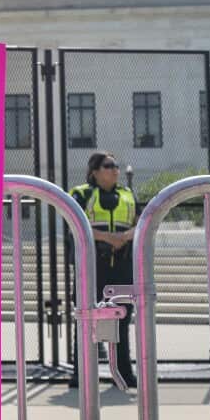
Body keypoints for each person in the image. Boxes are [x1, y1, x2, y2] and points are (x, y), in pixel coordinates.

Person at [70, 150, 138, 388]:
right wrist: (109, 238)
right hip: (92, 266)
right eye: (109, 166)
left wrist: (125, 237)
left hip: (121, 264)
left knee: (122, 318)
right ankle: (82, 375)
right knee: (87, 319)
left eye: (116, 165)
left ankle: (123, 373)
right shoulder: (80, 194)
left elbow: (138, 222)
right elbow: (75, 225)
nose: (115, 170)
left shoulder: (127, 194)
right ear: (95, 172)